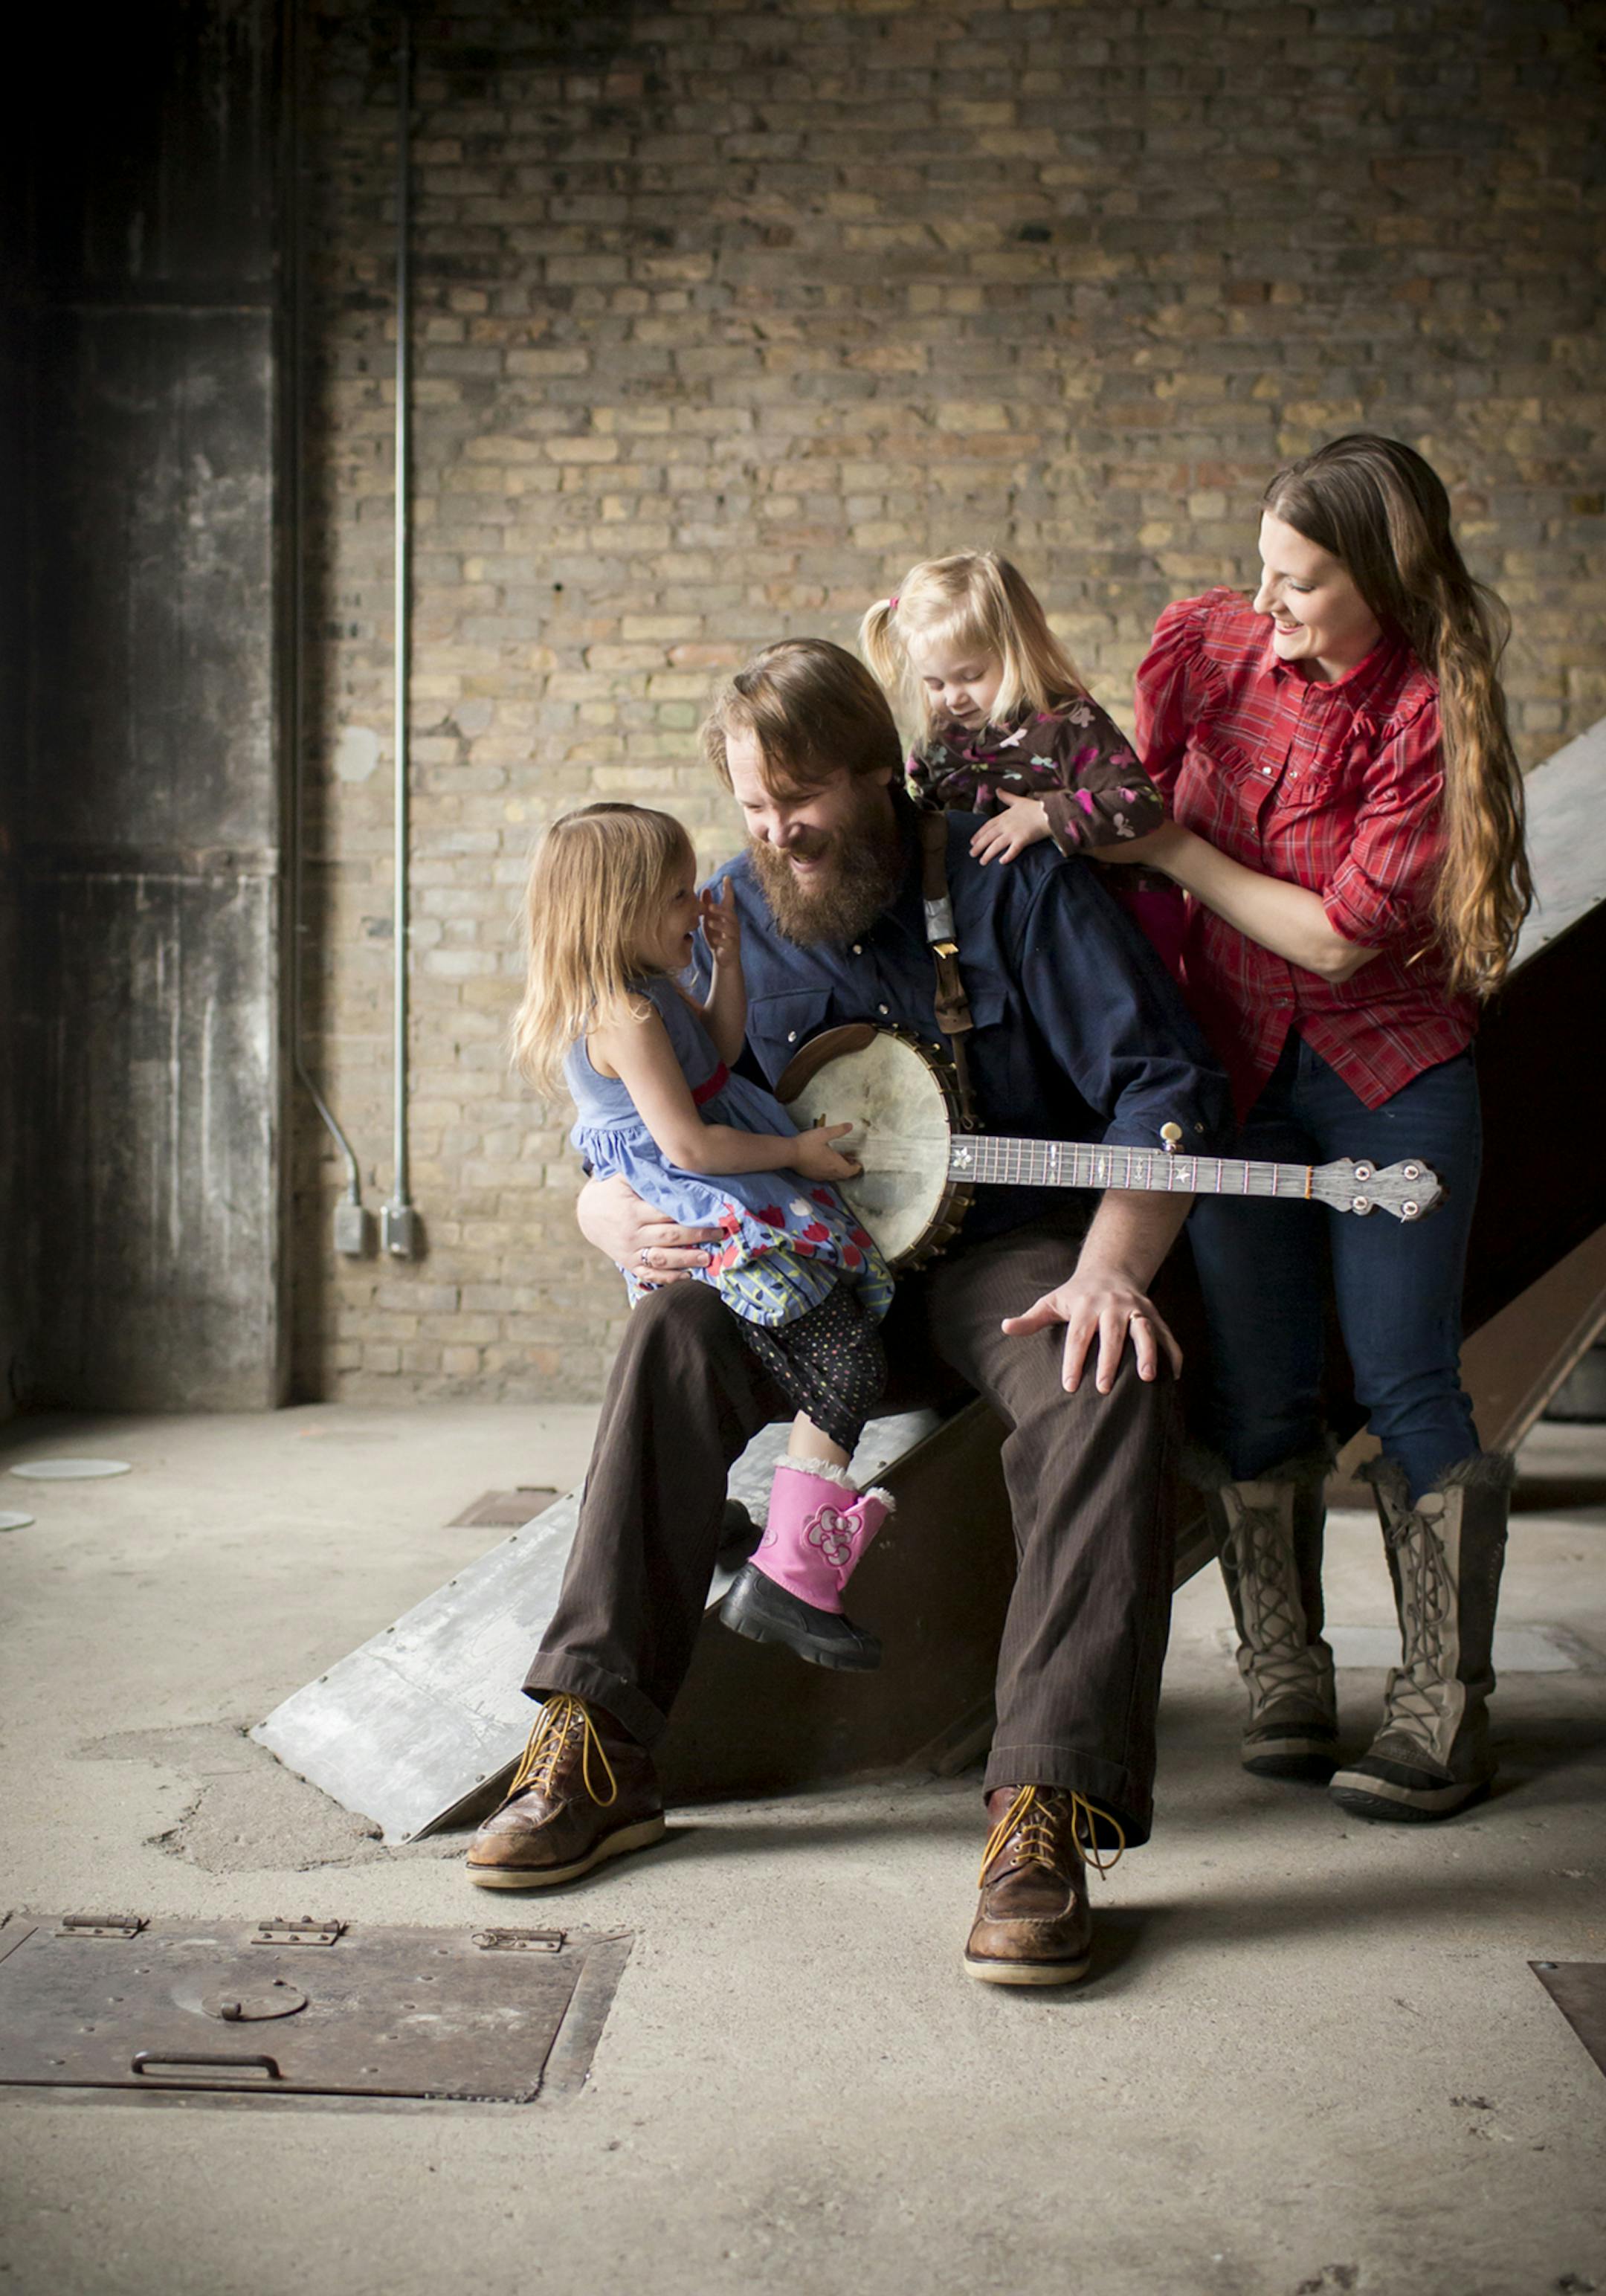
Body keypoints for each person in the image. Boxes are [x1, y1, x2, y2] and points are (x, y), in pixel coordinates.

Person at [468, 637, 1234, 1990]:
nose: (778, 834)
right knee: (670, 1336)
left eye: (803, 799)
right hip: (820, 1262)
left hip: (1005, 1263)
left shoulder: (1016, 884)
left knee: (1108, 1373)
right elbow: (626, 1109)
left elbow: (1161, 1081)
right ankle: (597, 1744)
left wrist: (1115, 1263)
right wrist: (599, 1208)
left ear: (881, 766)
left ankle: (1043, 1806)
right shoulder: (714, 914)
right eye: (755, 806)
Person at [1100, 433, 1532, 1824]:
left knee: (1406, 1378)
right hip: (1233, 1070)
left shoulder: (1431, 714)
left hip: (1386, 1069)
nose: (1265, 602)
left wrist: (1173, 844)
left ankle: (1444, 1700)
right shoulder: (1205, 647)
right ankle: (1284, 1667)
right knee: (1258, 1384)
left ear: (1386, 581)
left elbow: (1343, 941)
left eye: (1300, 582)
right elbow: (1122, 821)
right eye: (1263, 568)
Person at [510, 800, 897, 1674]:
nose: (699, 903)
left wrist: (724, 963)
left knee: (789, 1354)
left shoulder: (650, 988)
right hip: (707, 1197)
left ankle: (709, 1510)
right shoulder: (623, 1016)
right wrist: (797, 1149)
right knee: (843, 1361)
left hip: (725, 1179)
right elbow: (688, 1143)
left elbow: (717, 1053)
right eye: (681, 895)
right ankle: (792, 1581)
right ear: (620, 911)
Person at [860, 548, 1186, 979]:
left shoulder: (1068, 722)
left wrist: (1046, 817)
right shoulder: (937, 739)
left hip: (1117, 912)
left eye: (971, 676)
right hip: (1013, 920)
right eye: (934, 683)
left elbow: (1141, 804)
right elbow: (920, 816)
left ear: (1017, 651)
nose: (953, 697)